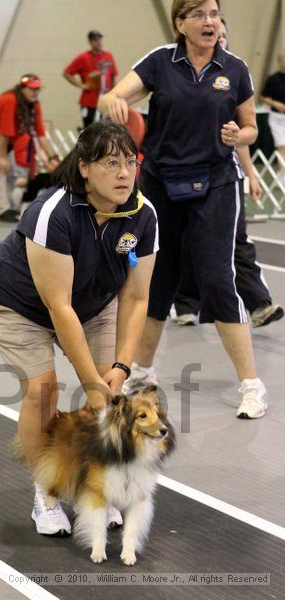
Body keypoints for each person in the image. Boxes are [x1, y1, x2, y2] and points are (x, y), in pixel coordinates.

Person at [0, 121, 158, 534]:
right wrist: (90, 381)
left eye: (130, 162)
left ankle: (98, 488)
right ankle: (48, 491)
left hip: (94, 302)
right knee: (43, 392)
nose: (124, 173)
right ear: (84, 168)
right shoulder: (51, 213)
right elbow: (58, 307)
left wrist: (121, 369)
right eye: (111, 162)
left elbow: (136, 298)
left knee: (110, 393)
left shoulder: (143, 215)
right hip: (19, 304)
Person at [99, 0, 268, 419]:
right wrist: (116, 105)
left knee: (216, 278)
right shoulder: (160, 62)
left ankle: (252, 386)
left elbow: (251, 127)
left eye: (214, 14)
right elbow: (112, 97)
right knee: (157, 279)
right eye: (199, 15)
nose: (209, 22)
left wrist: (237, 134)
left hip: (216, 182)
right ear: (181, 24)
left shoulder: (236, 68)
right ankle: (142, 372)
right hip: (160, 184)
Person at [173, 18, 284, 329]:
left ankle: (259, 303)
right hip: (185, 172)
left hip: (224, 178)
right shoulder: (185, 76)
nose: (218, 39)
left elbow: (241, 135)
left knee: (236, 239)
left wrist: (252, 174)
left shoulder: (235, 76)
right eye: (213, 34)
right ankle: (185, 303)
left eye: (223, 36)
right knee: (186, 238)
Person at [0, 74, 58, 222]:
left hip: (3, 139)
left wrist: (53, 157)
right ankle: (3, 209)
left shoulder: (34, 105)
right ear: (23, 89)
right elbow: (4, 132)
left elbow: (41, 134)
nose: (35, 93)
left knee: (11, 171)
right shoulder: (10, 100)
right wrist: (2, 157)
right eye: (32, 89)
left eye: (38, 89)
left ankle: (12, 206)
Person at [63, 30, 118, 128]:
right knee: (90, 127)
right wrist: (81, 85)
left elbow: (113, 75)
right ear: (90, 42)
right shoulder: (84, 57)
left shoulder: (108, 56)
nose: (98, 42)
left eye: (99, 39)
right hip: (90, 101)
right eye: (95, 40)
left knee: (105, 128)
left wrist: (113, 94)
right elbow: (67, 73)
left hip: (105, 99)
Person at [261, 51, 285, 184]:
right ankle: (281, 177)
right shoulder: (273, 79)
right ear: (280, 62)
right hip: (276, 117)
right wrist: (275, 103)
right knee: (282, 147)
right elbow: (264, 97)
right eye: (283, 61)